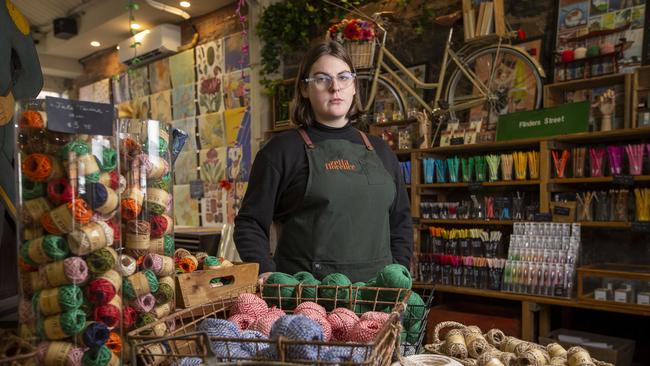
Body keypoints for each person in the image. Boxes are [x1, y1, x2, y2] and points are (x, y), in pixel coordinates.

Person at [234, 41, 413, 283]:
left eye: (343, 77)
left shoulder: (381, 151)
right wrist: (267, 273)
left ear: (354, 87)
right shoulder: (280, 151)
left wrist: (398, 273)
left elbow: (401, 223)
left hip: (377, 298)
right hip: (307, 300)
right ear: (305, 89)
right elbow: (250, 222)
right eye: (322, 78)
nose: (335, 87)